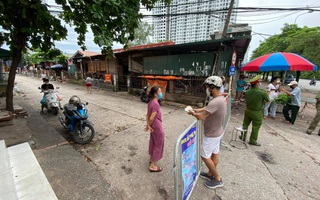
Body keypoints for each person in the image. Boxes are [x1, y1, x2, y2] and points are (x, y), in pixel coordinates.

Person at [188, 76, 226, 189]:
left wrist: (192, 113)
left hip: (212, 135)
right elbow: (207, 108)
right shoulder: (219, 98)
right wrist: (196, 109)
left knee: (204, 155)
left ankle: (217, 178)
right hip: (218, 132)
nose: (206, 89)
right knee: (214, 153)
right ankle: (210, 174)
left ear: (212, 87)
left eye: (207, 87)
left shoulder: (215, 102)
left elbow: (200, 117)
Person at [241, 75, 270, 146]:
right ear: (257, 83)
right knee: (256, 127)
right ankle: (253, 140)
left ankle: (242, 137)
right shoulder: (262, 92)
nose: (260, 83)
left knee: (245, 124)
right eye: (259, 82)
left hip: (248, 110)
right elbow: (268, 100)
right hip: (257, 112)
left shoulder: (247, 92)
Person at [144, 86, 165, 172]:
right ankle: (152, 165)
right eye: (160, 92)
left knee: (153, 142)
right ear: (156, 94)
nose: (161, 93)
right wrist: (149, 125)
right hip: (157, 127)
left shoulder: (151, 102)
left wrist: (148, 125)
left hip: (153, 126)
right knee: (158, 144)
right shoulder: (156, 104)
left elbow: (147, 115)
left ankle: (151, 159)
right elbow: (151, 117)